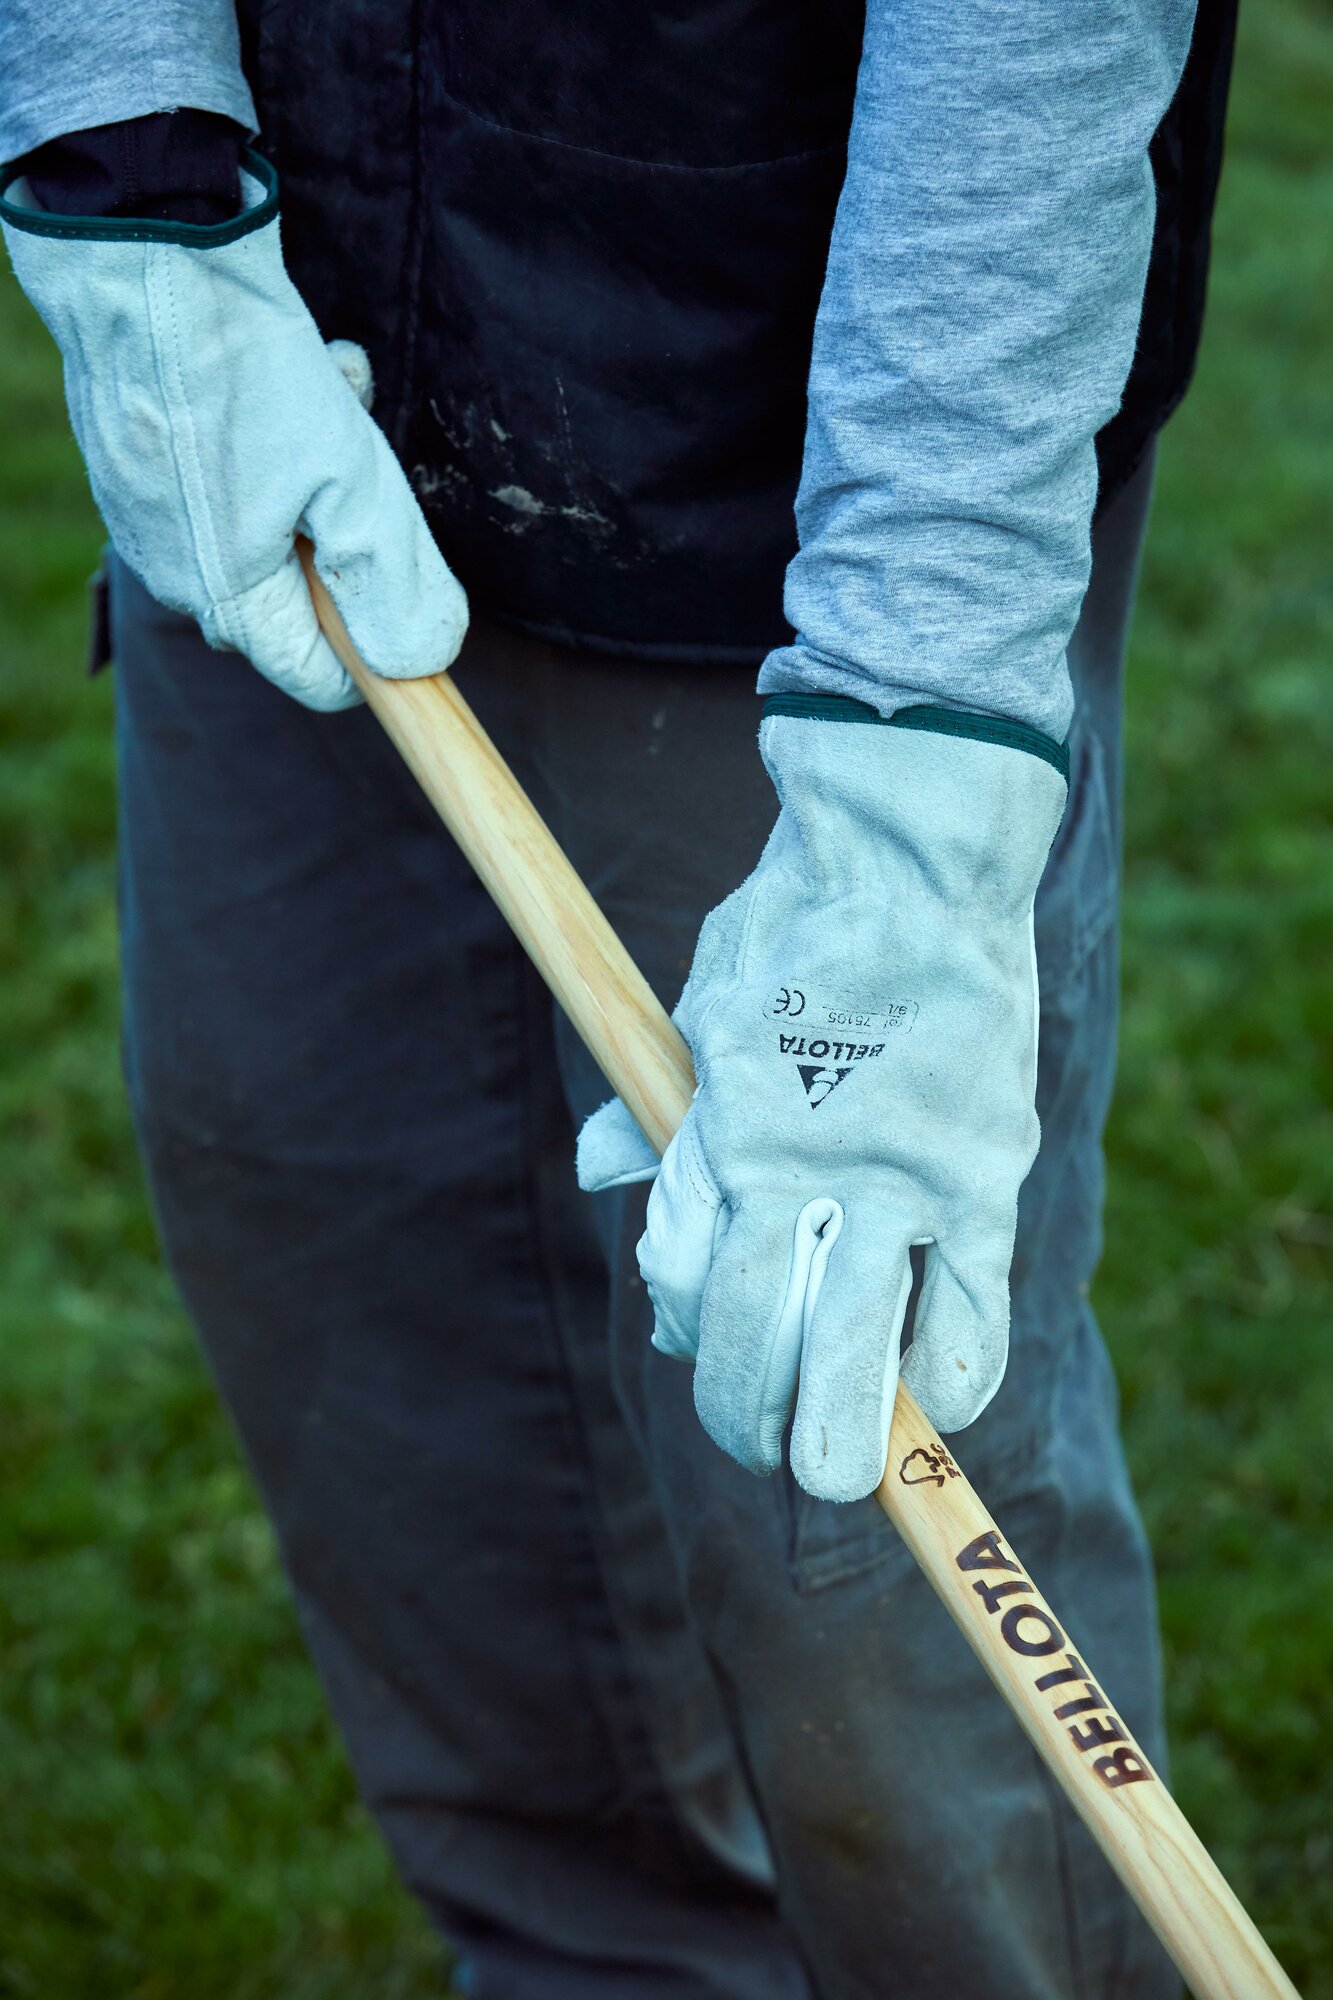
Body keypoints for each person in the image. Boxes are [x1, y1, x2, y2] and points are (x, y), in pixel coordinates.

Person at [0, 3, 1237, 1992]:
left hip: (807, 493)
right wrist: (119, 139)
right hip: (282, 367)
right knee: (395, 1371)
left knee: (856, 1566)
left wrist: (912, 740)